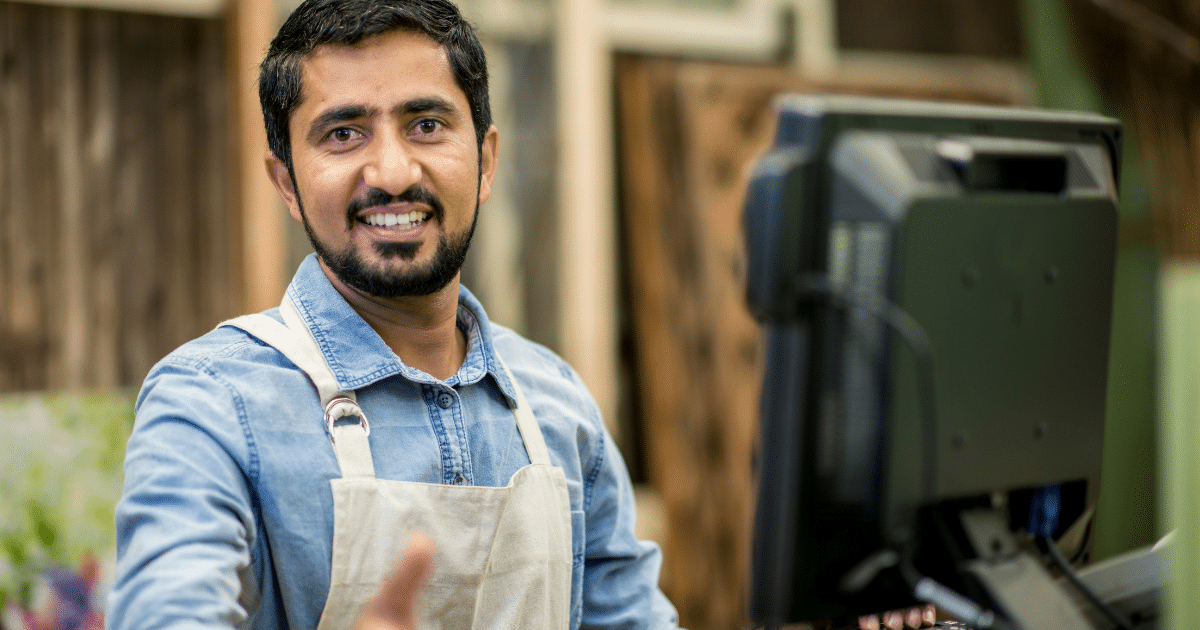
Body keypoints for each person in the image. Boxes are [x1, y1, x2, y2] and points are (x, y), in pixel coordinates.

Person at [107, 0, 681, 628]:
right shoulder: (209, 405)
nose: (393, 172)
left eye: (427, 124)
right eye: (343, 134)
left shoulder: (558, 407)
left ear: (486, 160)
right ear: (287, 184)